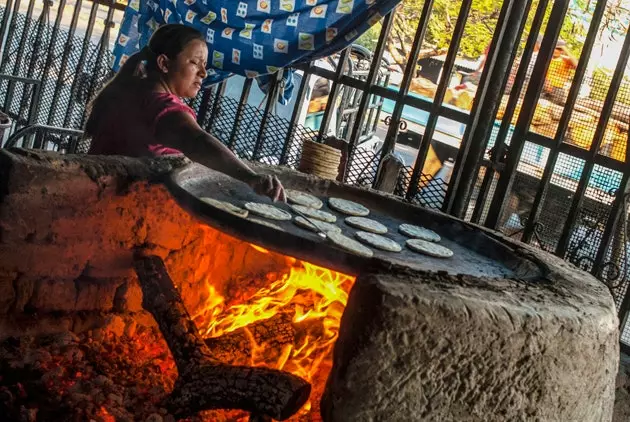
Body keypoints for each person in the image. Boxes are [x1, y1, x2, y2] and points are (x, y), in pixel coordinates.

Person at [86, 24, 285, 202]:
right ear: (164, 63)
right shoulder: (160, 106)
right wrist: (250, 177)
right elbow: (196, 141)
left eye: (204, 65)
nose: (203, 73)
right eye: (195, 62)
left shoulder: (130, 89)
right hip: (116, 204)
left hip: (94, 193)